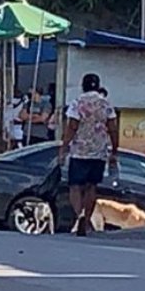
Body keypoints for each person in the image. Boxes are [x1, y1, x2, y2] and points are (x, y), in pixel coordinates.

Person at [60, 73, 120, 236]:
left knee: (75, 186)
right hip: (99, 151)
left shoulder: (77, 103)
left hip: (79, 151)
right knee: (91, 186)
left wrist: (64, 146)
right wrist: (114, 150)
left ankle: (79, 214)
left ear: (83, 86)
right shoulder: (105, 104)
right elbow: (113, 128)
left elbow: (72, 126)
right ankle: (86, 220)